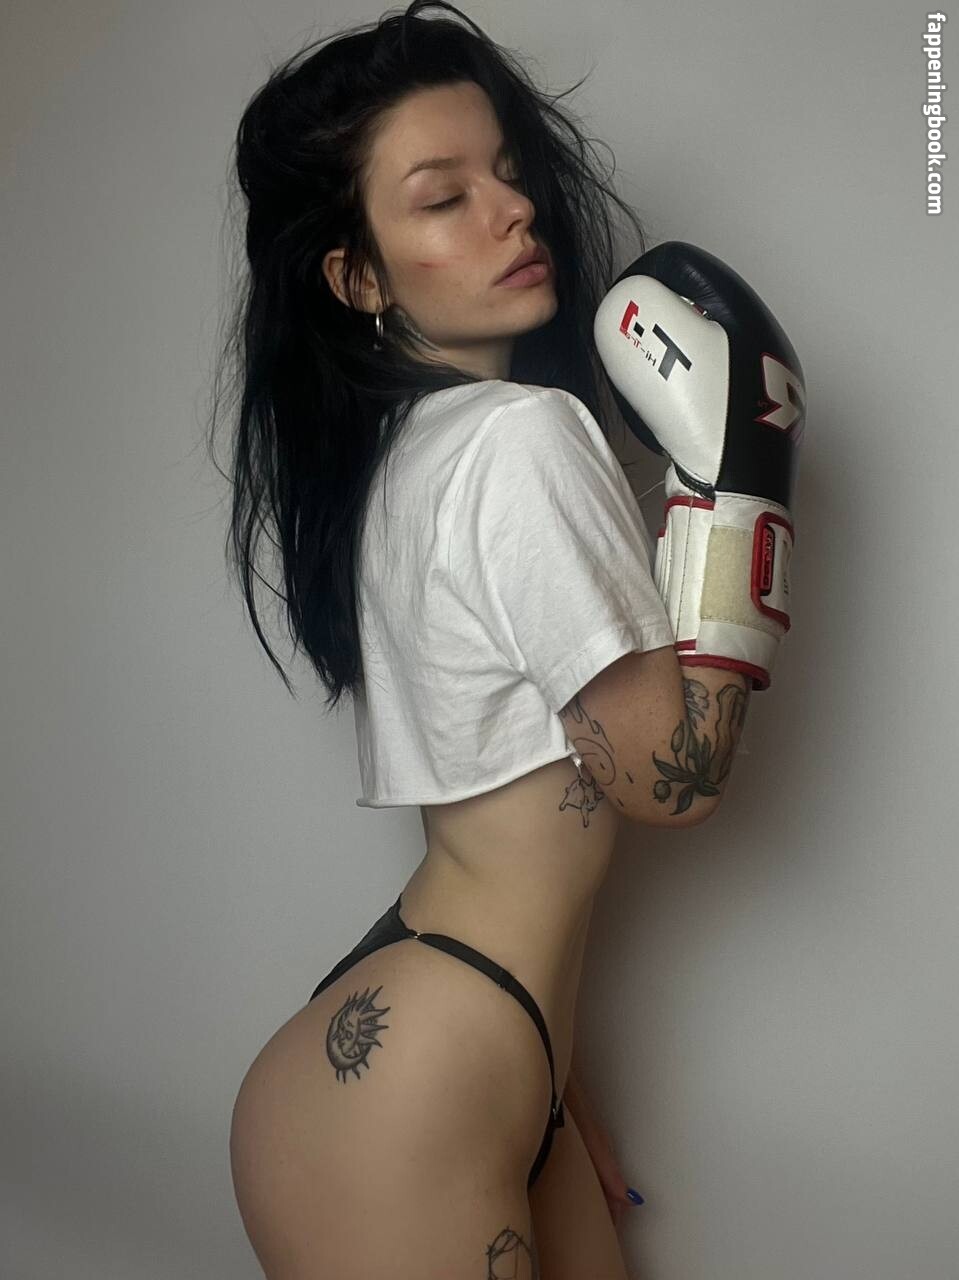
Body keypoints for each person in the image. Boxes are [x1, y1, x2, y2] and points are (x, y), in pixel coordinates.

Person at [218, 4, 762, 1277]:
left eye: (507, 174)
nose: (513, 210)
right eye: (443, 196)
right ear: (357, 277)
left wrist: (545, 1085)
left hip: (456, 1042)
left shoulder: (401, 458)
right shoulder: (519, 433)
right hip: (436, 1066)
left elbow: (499, 821)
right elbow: (668, 779)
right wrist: (746, 477)